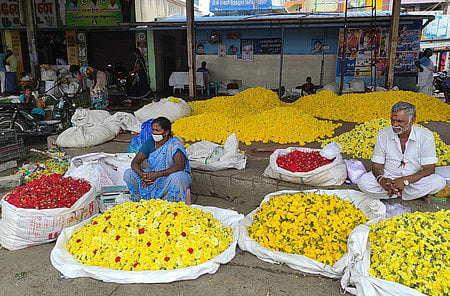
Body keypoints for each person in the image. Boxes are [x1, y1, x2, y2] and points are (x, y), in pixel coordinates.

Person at [358, 101, 446, 203]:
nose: (395, 124)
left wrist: (405, 181)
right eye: (392, 120)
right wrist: (382, 180)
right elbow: (377, 165)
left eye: (400, 121)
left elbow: (429, 169)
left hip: (413, 180)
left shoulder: (426, 136)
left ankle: (393, 193)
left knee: (439, 182)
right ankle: (403, 193)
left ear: (412, 120)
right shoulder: (383, 134)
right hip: (389, 177)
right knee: (363, 182)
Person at [123, 117, 192, 203]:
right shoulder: (150, 142)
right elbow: (135, 162)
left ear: (166, 132)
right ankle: (139, 203)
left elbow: (179, 166)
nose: (154, 133)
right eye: (153, 130)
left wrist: (157, 174)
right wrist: (143, 175)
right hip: (154, 177)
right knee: (128, 173)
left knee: (175, 178)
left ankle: (171, 205)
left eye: (157, 130)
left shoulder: (174, 144)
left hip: (172, 175)